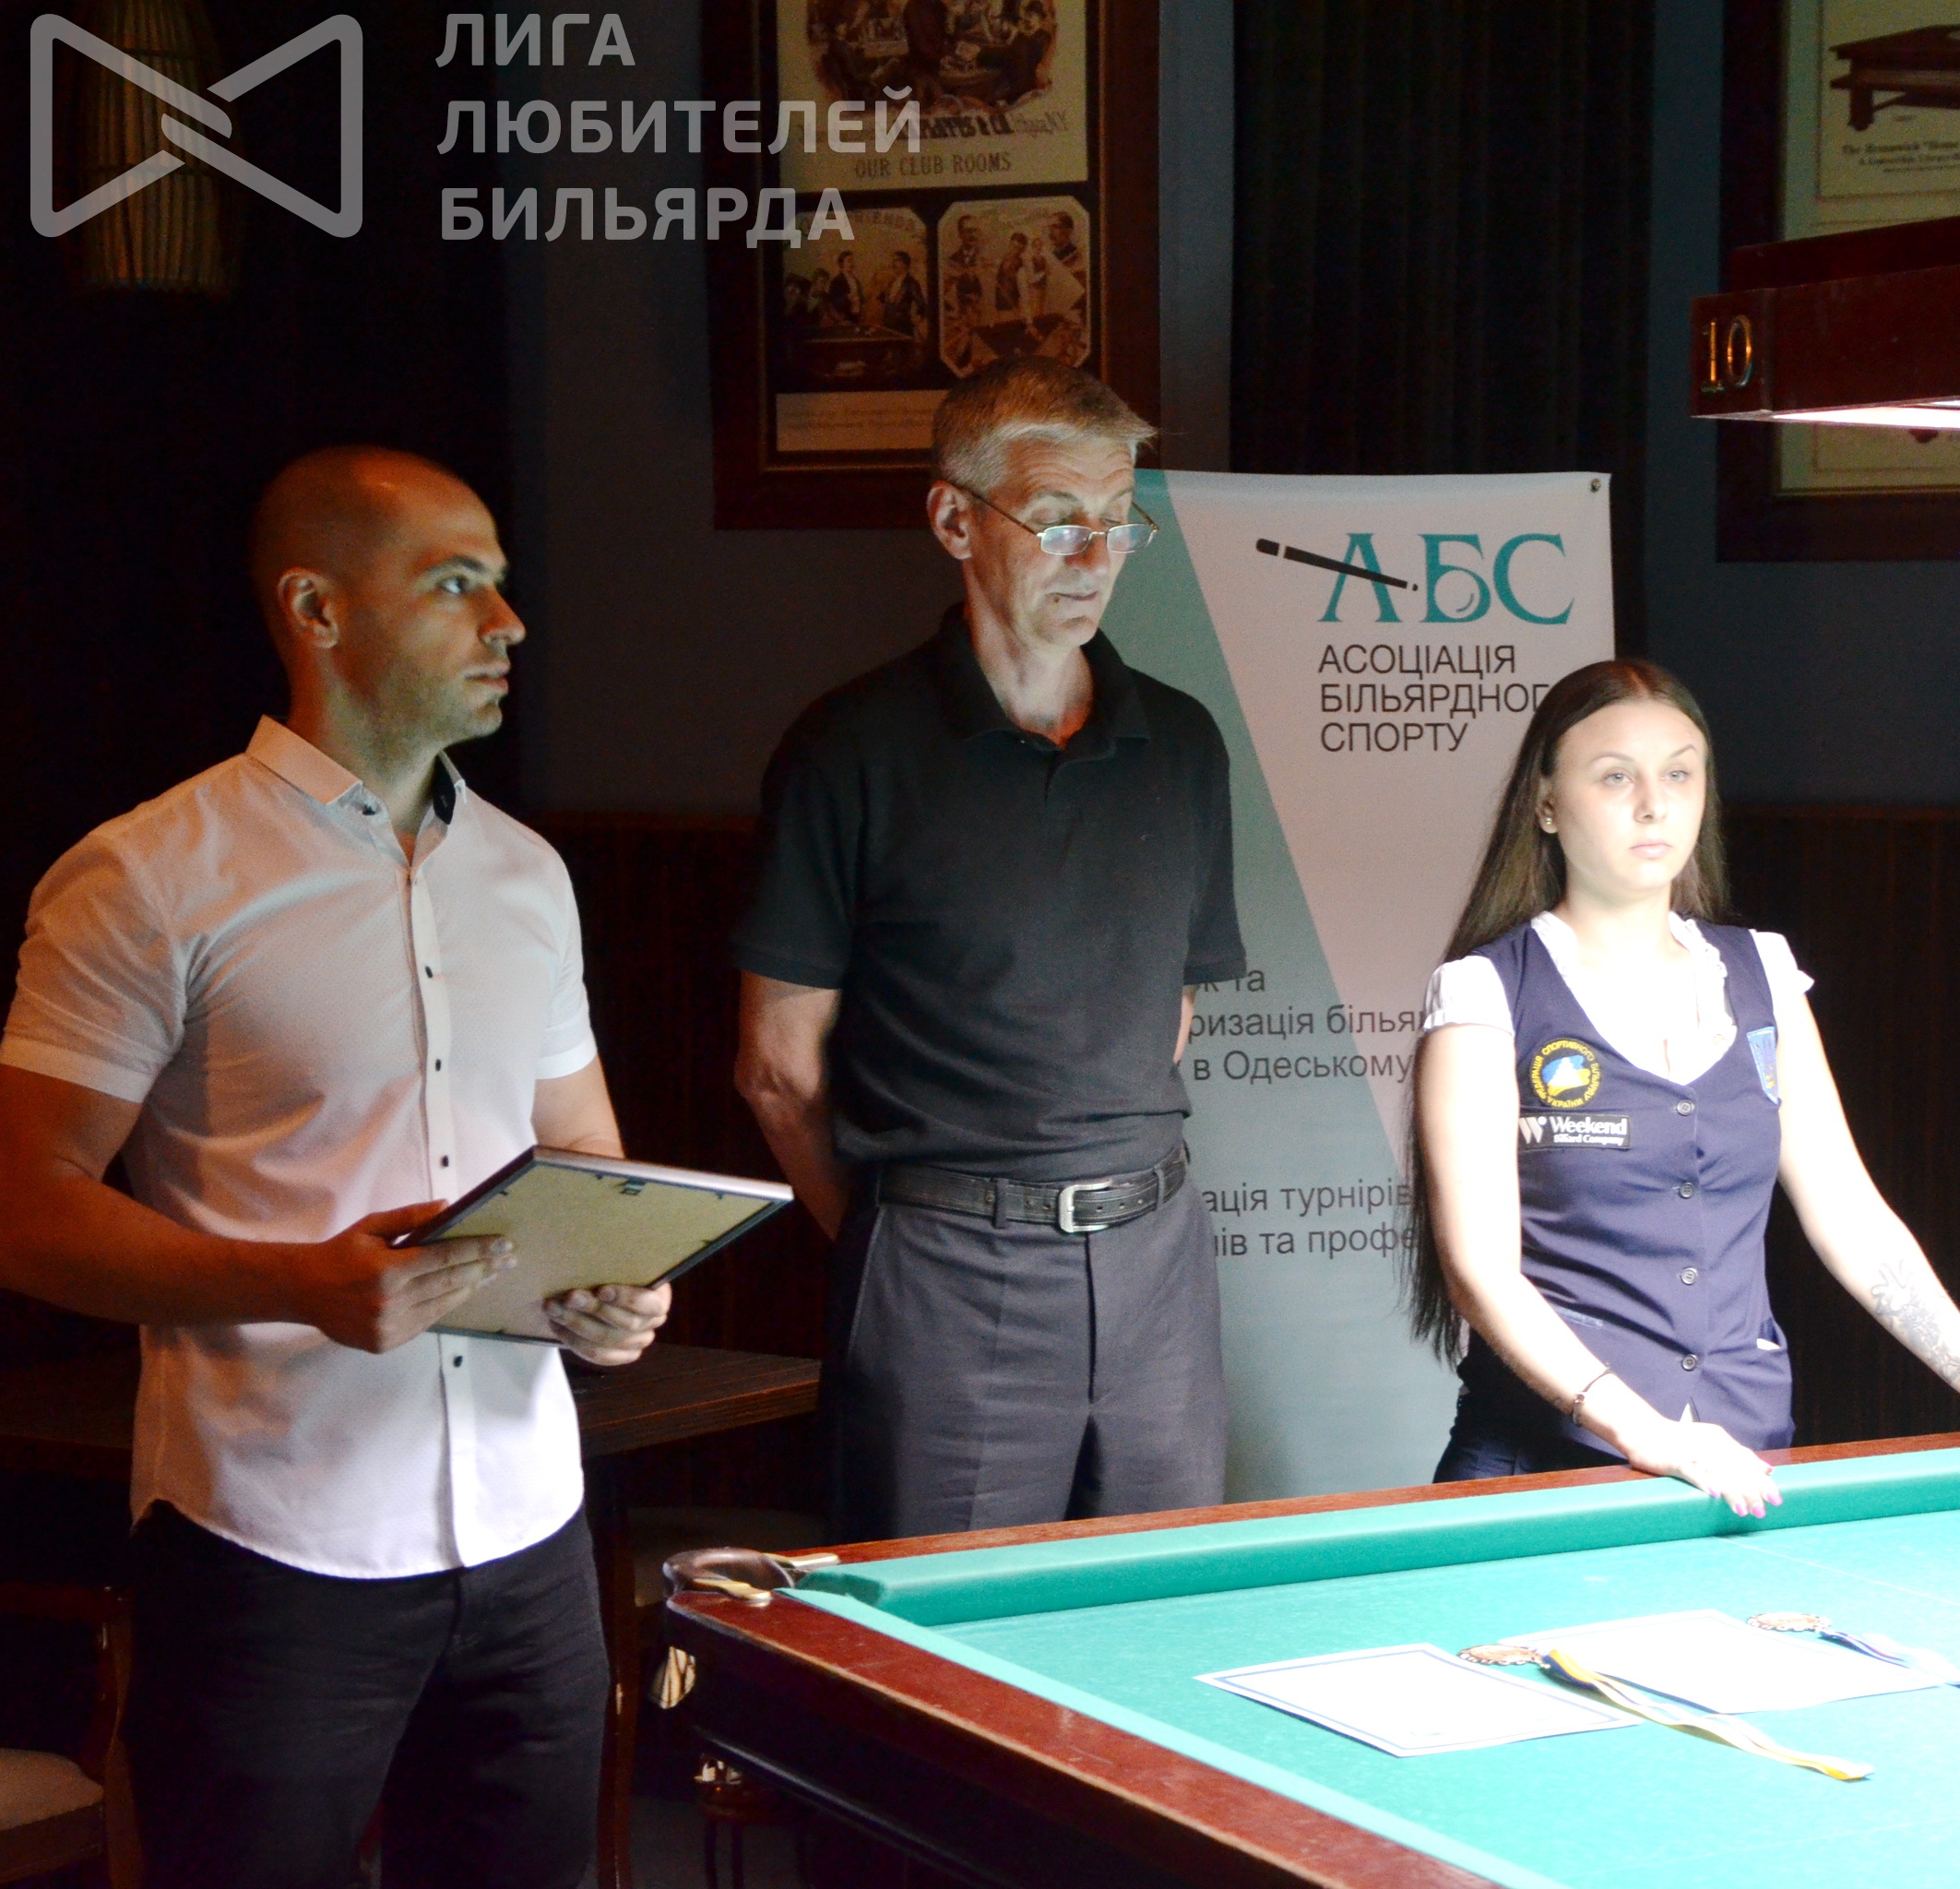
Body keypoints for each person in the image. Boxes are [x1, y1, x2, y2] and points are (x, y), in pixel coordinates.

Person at [0, 446, 671, 1889]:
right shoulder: (148, 875)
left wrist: (619, 1285)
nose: (510, 624)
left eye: (500, 583)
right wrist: (298, 1284)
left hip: (531, 1533)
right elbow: (27, 1212)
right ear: (317, 610)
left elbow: (584, 1156)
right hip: (273, 1548)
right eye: (457, 584)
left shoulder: (528, 875)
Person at [1409, 659, 1960, 1515]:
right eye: (1615, 776)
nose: (1654, 804)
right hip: (1543, 1470)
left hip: (1746, 1462)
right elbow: (1480, 1273)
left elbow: (1850, 1215)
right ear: (1547, 803)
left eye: (1679, 774)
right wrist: (1644, 1431)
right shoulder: (1486, 993)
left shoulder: (1763, 973)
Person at [733, 358, 1244, 1541]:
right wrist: (907, 1236)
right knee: (943, 1624)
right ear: (954, 519)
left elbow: (1167, 1015)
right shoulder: (849, 749)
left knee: (1158, 1601)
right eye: (1058, 520)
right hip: (945, 1262)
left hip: (1157, 1254)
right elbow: (776, 1068)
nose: (1094, 557)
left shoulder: (1181, 742)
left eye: (1118, 523)